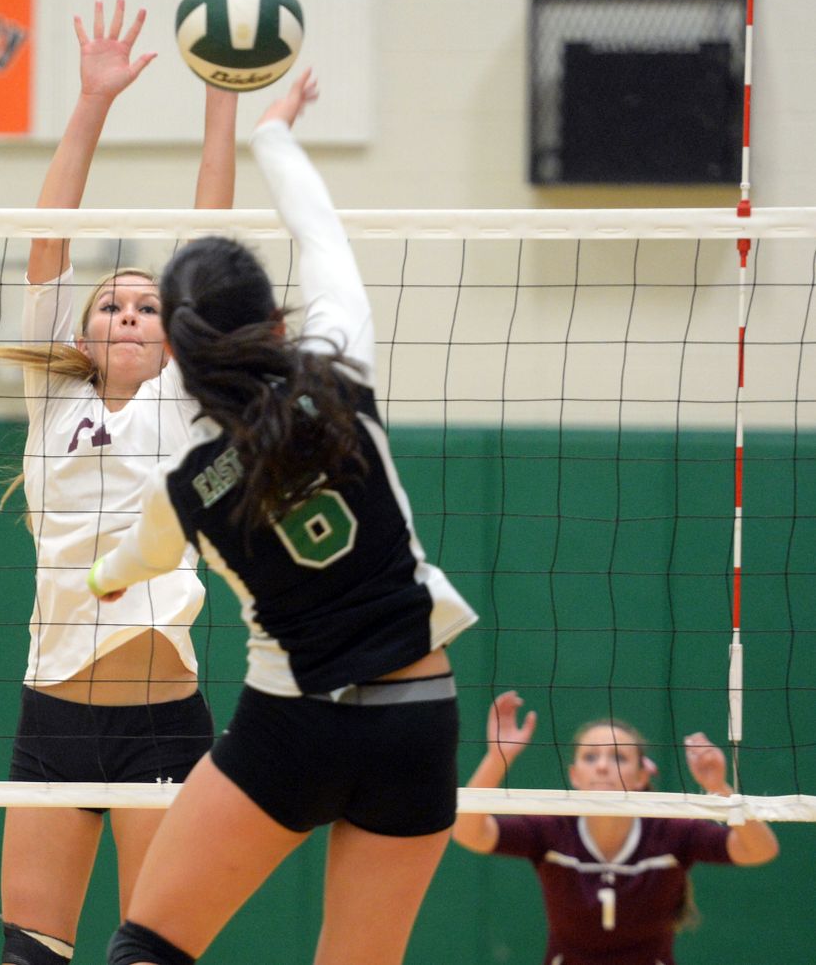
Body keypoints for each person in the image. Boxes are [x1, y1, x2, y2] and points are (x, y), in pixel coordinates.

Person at [85, 70, 479, 965]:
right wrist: (273, 131)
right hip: (418, 719)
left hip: (291, 726)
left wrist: (102, 578)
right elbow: (320, 232)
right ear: (272, 316)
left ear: (176, 350)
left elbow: (126, 565)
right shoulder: (341, 371)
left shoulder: (183, 486)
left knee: (147, 948)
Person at [0, 0, 239, 965]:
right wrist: (92, 99)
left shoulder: (186, 398)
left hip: (163, 725)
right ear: (84, 333)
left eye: (147, 304)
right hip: (50, 714)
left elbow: (208, 235)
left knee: (151, 955)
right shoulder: (51, 406)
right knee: (30, 955)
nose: (130, 313)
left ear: (172, 331)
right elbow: (47, 240)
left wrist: (222, 100)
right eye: (111, 304)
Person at [452, 689, 780, 965]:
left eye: (619, 757)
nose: (604, 766)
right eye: (591, 757)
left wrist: (719, 788)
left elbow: (759, 850)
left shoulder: (670, 831)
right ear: (575, 776)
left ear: (641, 777)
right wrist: (497, 760)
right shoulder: (552, 828)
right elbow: (469, 833)